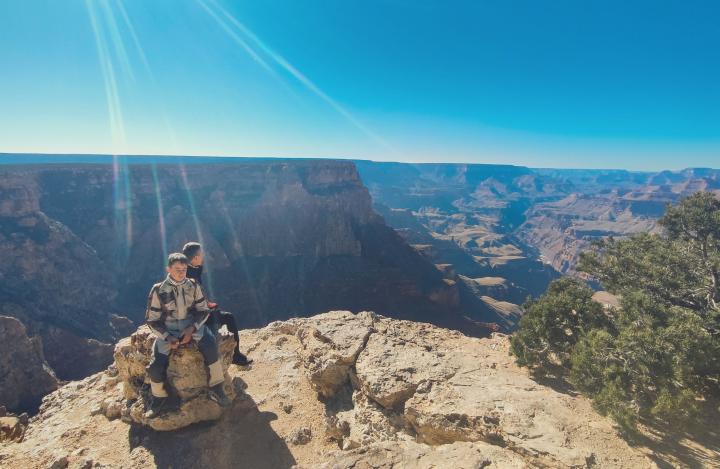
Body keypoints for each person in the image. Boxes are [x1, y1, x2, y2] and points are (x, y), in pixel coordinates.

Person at [144, 253, 231, 418]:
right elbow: (152, 320)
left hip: (191, 325)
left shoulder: (193, 285)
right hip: (168, 331)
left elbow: (203, 310)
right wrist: (166, 337)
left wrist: (192, 328)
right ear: (168, 269)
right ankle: (159, 398)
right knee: (156, 365)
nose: (181, 273)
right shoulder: (158, 290)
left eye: (184, 269)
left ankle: (217, 387)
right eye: (177, 269)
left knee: (211, 345)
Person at [182, 242, 252, 366]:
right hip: (195, 319)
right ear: (195, 258)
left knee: (221, 315)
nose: (204, 256)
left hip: (193, 315)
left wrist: (207, 304)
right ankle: (236, 356)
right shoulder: (190, 277)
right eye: (201, 254)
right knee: (229, 318)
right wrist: (208, 308)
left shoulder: (187, 271)